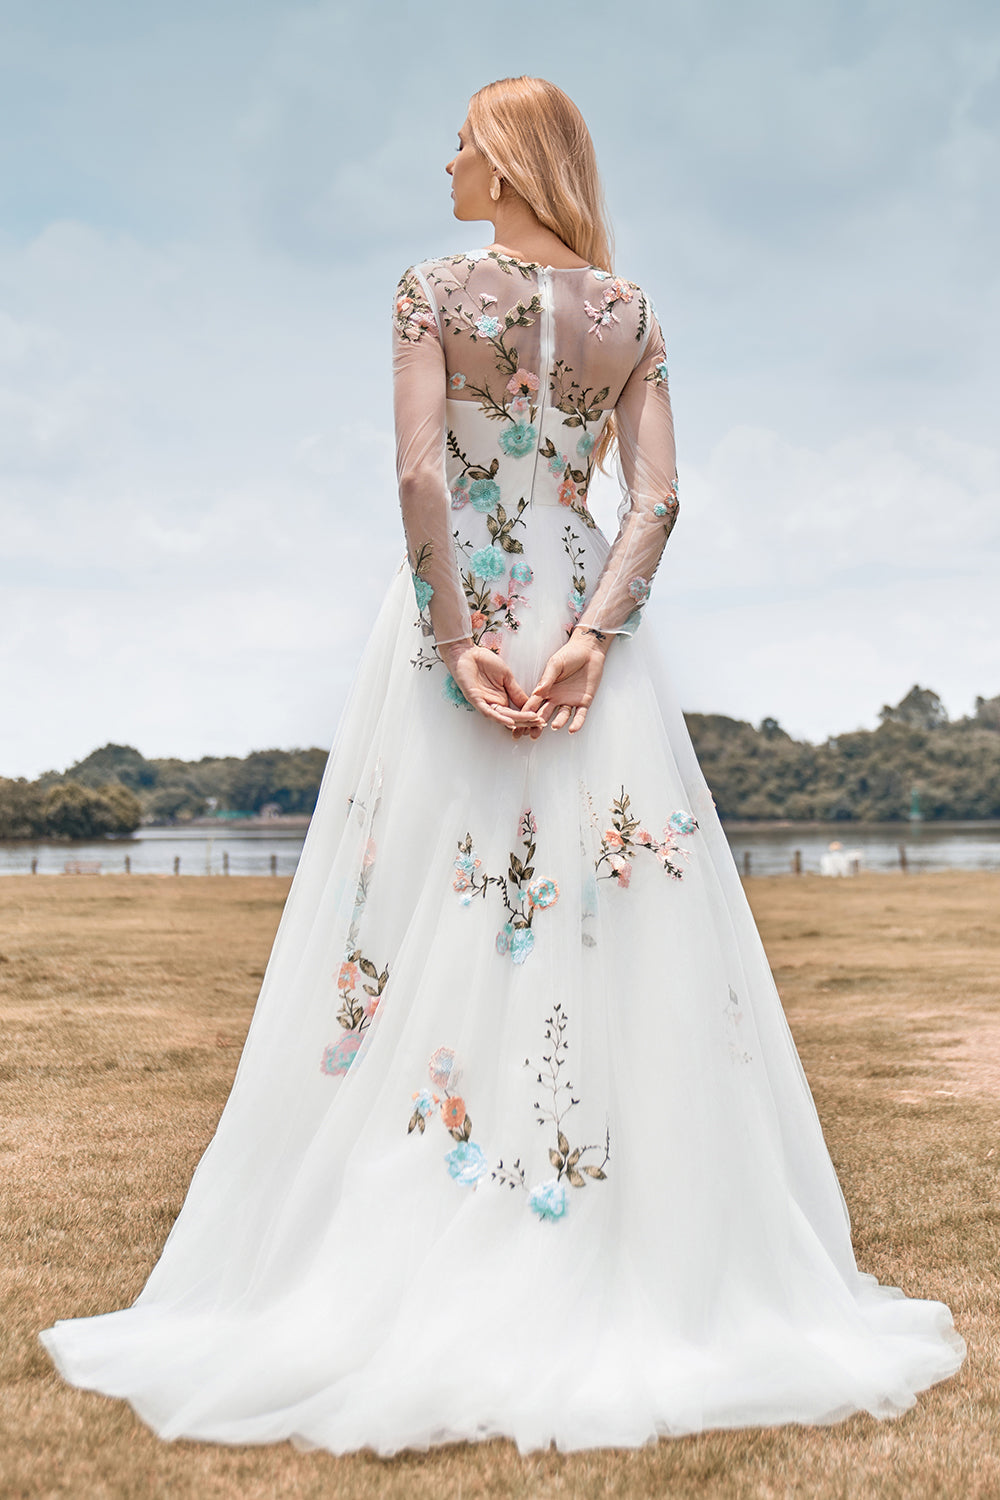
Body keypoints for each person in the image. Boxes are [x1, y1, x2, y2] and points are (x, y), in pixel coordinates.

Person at [40, 76, 964, 1455]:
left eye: (463, 141)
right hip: (583, 601)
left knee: (414, 904)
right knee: (609, 914)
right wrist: (591, 640)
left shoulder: (429, 292)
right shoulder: (632, 314)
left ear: (513, 157)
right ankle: (616, 1218)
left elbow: (422, 478)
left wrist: (461, 639)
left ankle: (435, 1195)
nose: (447, 162)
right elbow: (656, 497)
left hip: (458, 608)